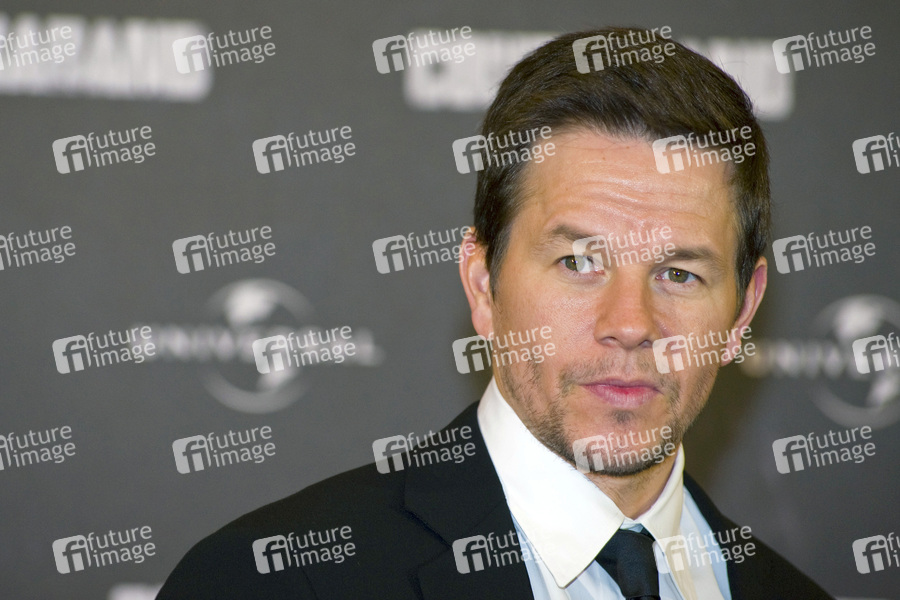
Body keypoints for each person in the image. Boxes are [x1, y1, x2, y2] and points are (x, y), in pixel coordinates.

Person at [157, 28, 834, 599]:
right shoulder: (268, 583)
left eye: (679, 274)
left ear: (742, 312)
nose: (631, 323)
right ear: (483, 285)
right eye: (579, 262)